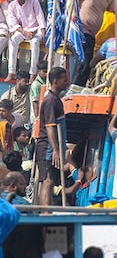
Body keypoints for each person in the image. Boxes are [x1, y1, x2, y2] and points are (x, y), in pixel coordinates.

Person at [74, 0, 116, 87]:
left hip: (92, 35)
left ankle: (78, 88)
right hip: (80, 32)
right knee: (82, 63)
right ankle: (73, 89)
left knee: (86, 65)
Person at [35, 66, 68, 206]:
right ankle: (45, 213)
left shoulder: (56, 100)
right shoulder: (50, 101)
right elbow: (50, 127)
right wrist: (55, 149)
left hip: (53, 147)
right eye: (63, 80)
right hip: (46, 147)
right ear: (55, 81)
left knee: (51, 181)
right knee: (47, 180)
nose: (66, 82)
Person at [3, 0, 44, 82]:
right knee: (13, 40)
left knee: (34, 42)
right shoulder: (12, 5)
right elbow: (12, 21)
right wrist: (24, 32)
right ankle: (11, 72)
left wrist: (43, 33)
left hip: (36, 29)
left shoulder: (34, 1)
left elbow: (40, 17)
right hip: (22, 30)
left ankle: (32, 74)